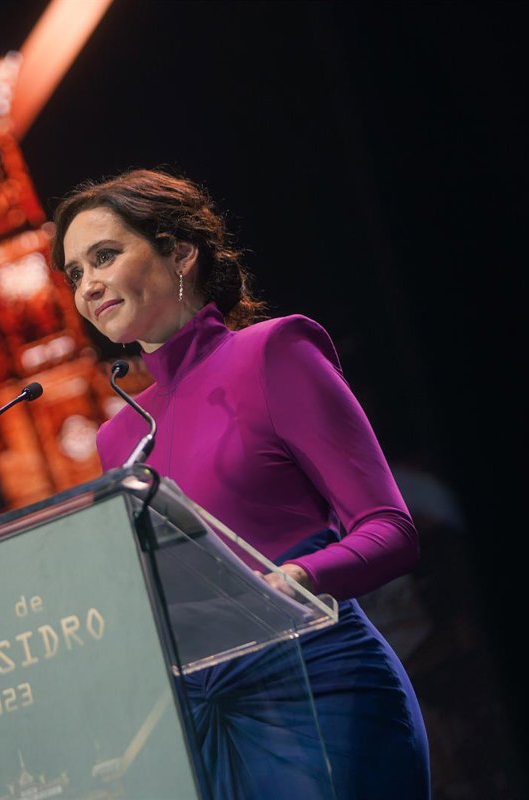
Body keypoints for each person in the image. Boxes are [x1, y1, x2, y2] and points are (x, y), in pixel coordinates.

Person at [52, 169, 430, 799]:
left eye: (104, 256)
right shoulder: (118, 439)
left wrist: (297, 579)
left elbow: (391, 530)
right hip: (208, 724)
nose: (87, 285)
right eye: (74, 274)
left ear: (180, 252)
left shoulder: (273, 352)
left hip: (324, 693)